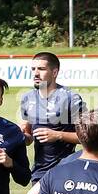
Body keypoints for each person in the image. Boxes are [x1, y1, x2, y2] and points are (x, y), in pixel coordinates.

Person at [17, 50, 85, 182]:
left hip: (65, 171)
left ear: (55, 72)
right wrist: (22, 136)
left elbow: (86, 137)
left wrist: (57, 135)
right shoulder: (27, 98)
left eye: (41, 69)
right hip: (39, 172)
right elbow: (29, 138)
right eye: (33, 69)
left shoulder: (71, 98)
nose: (36, 73)